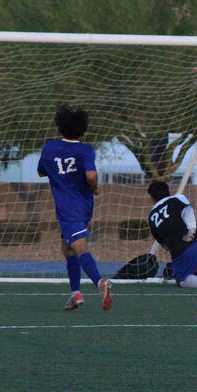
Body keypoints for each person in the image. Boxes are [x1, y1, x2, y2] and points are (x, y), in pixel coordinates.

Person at [37, 105, 113, 312]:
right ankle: (75, 294)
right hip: (85, 205)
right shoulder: (86, 150)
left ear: (60, 126)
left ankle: (100, 282)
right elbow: (90, 175)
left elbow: (41, 172)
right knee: (67, 247)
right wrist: (95, 187)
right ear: (83, 129)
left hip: (68, 207)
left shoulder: (50, 147)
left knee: (79, 248)